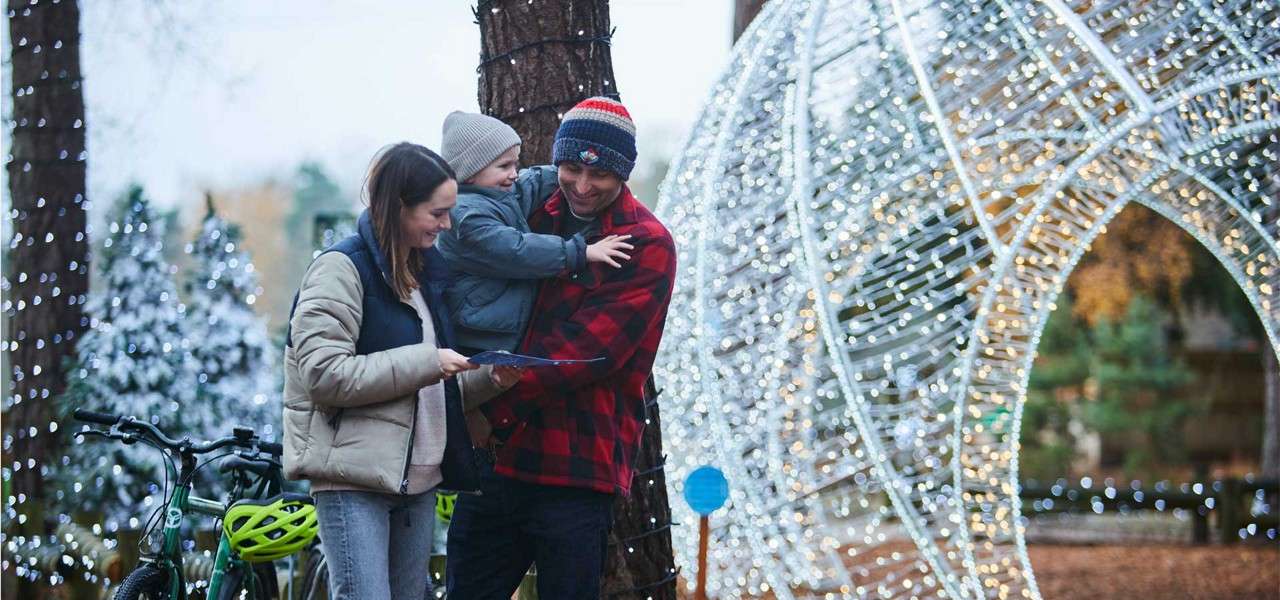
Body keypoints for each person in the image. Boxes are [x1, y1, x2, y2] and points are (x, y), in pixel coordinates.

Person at [444, 97, 678, 599]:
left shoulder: (646, 242)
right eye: (571, 168)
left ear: (624, 173)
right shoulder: (526, 209)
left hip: (575, 464)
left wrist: (486, 410)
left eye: (601, 175)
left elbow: (588, 353)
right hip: (493, 464)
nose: (583, 186)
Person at [280, 142, 521, 600]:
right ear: (398, 207)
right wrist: (428, 361)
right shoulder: (339, 271)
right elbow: (324, 375)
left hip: (418, 482)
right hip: (353, 480)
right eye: (437, 212)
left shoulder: (424, 275)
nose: (447, 223)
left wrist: (488, 378)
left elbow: (425, 389)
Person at [435, 110, 634, 357]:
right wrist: (580, 252)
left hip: (501, 328)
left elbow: (530, 183)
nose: (514, 173)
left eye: (515, 164)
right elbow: (516, 250)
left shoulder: (497, 194)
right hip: (479, 335)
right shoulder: (464, 218)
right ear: (471, 171)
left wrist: (568, 170)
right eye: (504, 166)